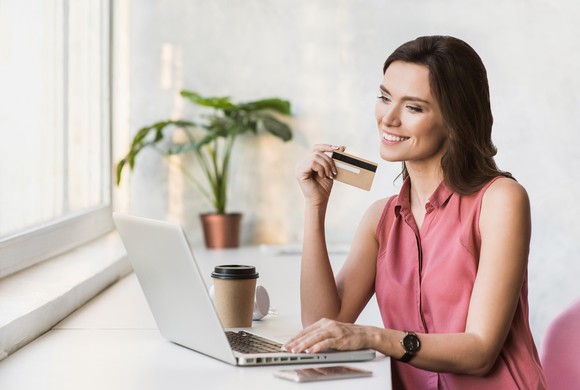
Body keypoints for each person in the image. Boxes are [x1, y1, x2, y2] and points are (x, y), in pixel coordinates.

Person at [284, 36, 548, 389]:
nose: (388, 118)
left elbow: (480, 350)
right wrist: (315, 208)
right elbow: (322, 328)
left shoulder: (501, 200)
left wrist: (375, 337)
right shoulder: (380, 219)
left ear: (455, 120)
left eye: (414, 107)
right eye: (384, 97)